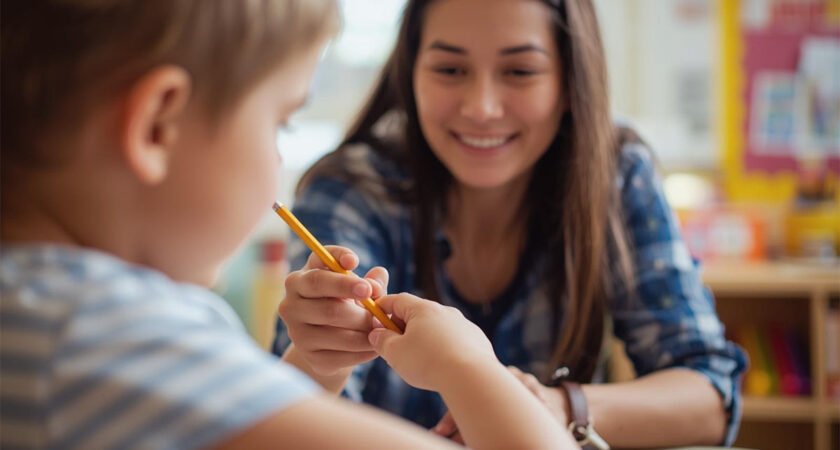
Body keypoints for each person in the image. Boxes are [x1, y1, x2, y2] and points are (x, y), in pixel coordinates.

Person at [0, 1, 578, 448]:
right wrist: (468, 367)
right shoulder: (103, 337)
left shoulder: (37, 315)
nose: (278, 159)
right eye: (281, 121)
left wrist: (311, 366)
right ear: (157, 126)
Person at [274, 0, 748, 447]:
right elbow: (290, 418)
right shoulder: (349, 189)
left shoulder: (616, 175)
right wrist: (321, 361)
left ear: (569, 83)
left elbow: (710, 394)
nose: (482, 107)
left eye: (520, 71)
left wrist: (555, 405)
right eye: (450, 69)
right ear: (410, 74)